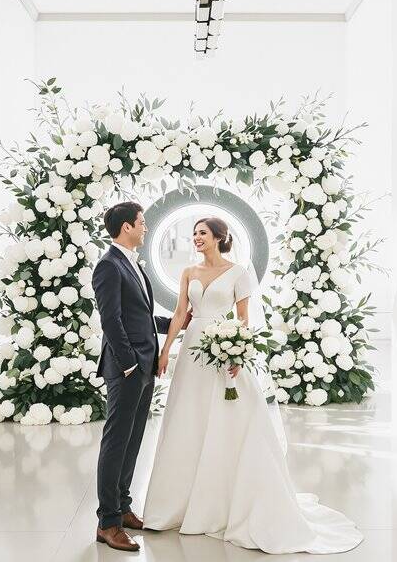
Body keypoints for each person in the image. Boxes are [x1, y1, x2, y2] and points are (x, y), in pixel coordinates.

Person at [142, 217, 363, 554]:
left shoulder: (239, 272)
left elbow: (243, 319)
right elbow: (179, 314)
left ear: (219, 237)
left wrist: (238, 353)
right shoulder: (189, 272)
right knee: (187, 419)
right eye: (194, 234)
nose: (196, 238)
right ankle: (177, 505)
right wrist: (166, 350)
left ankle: (221, 501)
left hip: (224, 348)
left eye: (202, 233)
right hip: (193, 351)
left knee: (228, 420)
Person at [91, 201, 190, 552]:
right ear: (126, 227)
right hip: (127, 367)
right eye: (141, 223)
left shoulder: (130, 263)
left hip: (144, 365)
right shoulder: (108, 266)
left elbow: (140, 316)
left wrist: (174, 324)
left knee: (133, 439)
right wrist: (130, 362)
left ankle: (123, 506)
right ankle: (108, 523)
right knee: (116, 441)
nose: (145, 228)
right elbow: (111, 320)